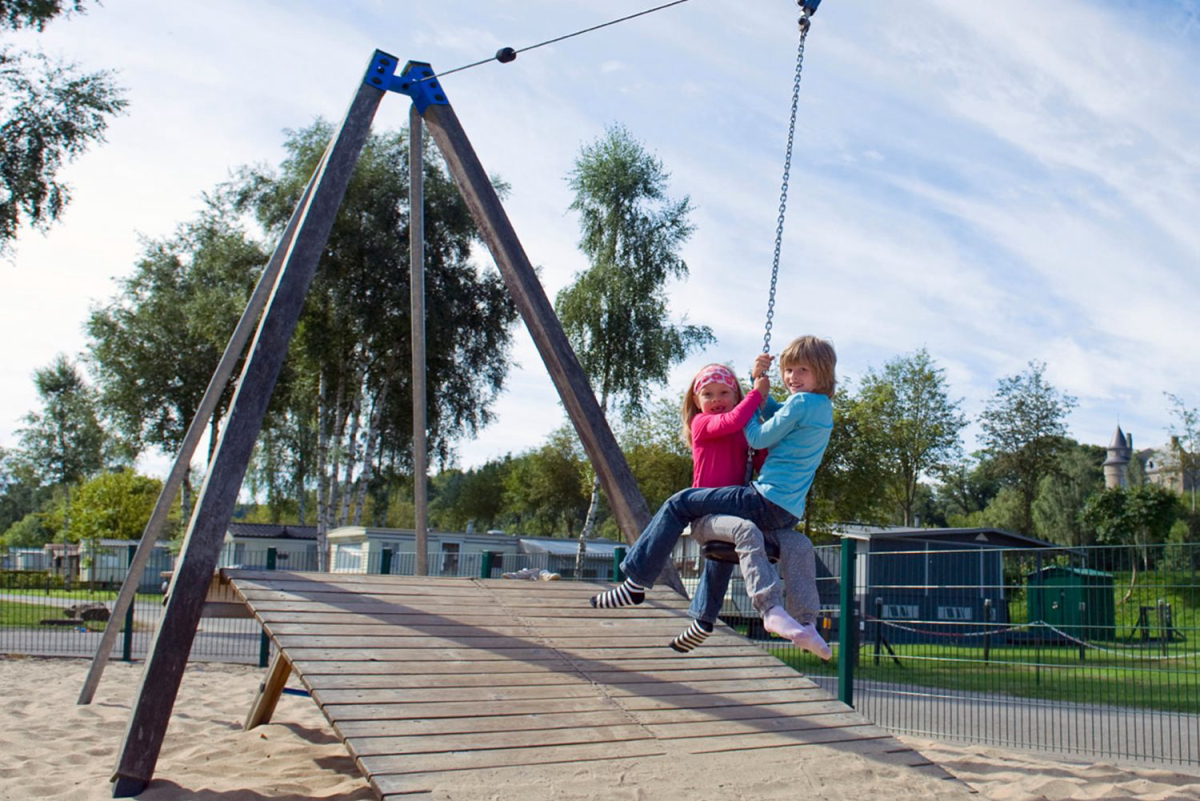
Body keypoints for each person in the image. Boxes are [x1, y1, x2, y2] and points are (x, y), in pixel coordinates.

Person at [591, 335, 835, 660]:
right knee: (741, 549)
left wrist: (754, 394)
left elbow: (757, 436)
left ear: (821, 373)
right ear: (697, 400)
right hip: (782, 510)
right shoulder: (704, 421)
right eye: (788, 370)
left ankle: (637, 581)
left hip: (755, 503)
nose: (792, 377)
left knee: (681, 504)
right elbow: (757, 417)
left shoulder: (798, 405)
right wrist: (755, 390)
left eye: (801, 370)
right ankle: (804, 622)